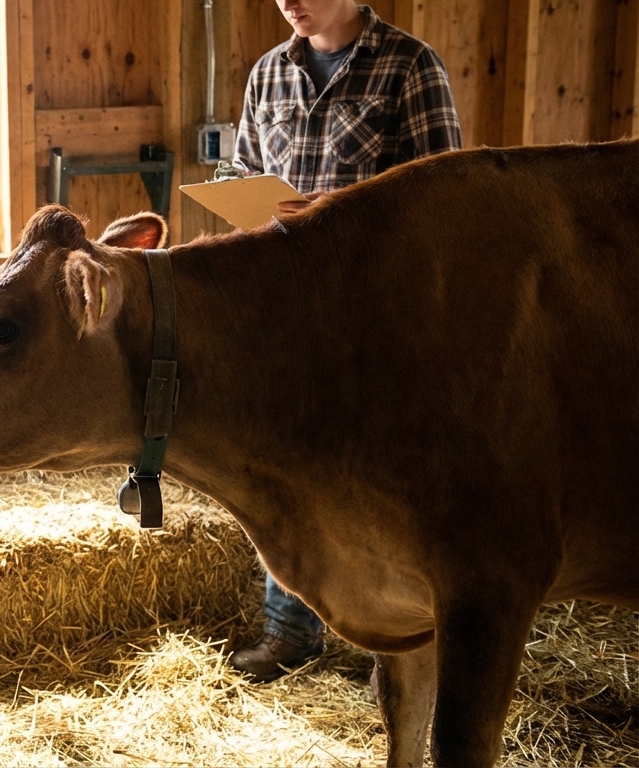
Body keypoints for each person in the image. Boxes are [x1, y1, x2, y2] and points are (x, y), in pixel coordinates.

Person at [227, 0, 462, 682]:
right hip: (288, 315)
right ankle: (290, 631)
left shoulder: (410, 67)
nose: (289, 3)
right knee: (289, 465)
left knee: (380, 472)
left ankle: (391, 637)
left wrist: (330, 215)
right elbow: (236, 174)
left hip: (378, 315)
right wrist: (251, 204)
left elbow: (441, 199)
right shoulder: (269, 74)